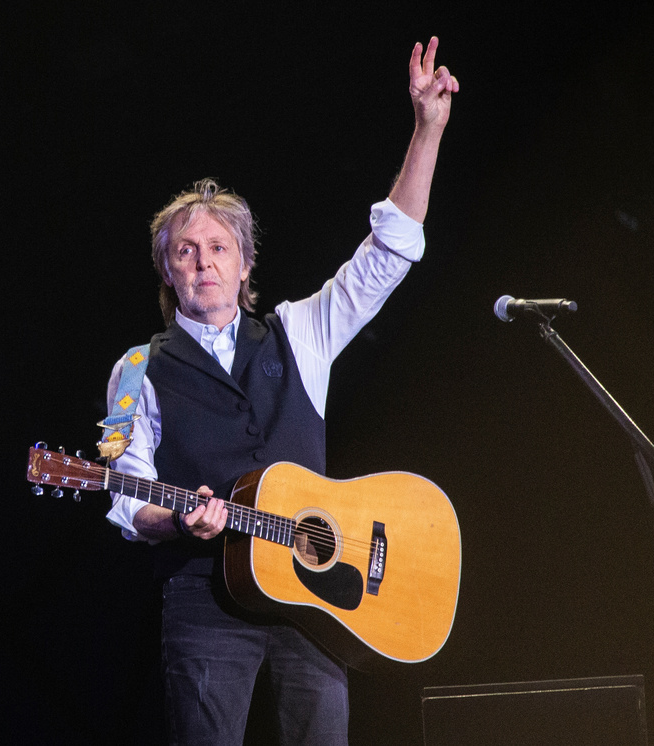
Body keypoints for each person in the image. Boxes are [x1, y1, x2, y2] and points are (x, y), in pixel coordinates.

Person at [104, 37, 458, 746]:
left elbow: (388, 253)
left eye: (218, 250)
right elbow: (127, 494)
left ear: (244, 265)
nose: (203, 264)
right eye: (185, 252)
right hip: (205, 603)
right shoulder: (138, 367)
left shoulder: (301, 333)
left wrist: (427, 130)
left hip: (315, 603)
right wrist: (178, 522)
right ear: (166, 273)